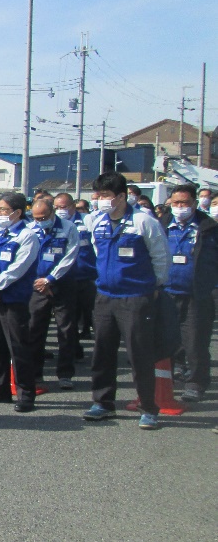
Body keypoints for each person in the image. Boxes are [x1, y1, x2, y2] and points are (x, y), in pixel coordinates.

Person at [83, 172, 170, 429]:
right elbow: (100, 253)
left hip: (135, 298)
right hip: (105, 297)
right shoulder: (98, 221)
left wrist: (155, 286)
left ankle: (149, 408)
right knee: (102, 352)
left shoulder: (144, 221)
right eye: (98, 196)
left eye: (106, 196)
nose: (100, 201)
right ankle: (103, 403)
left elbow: (160, 256)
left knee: (139, 354)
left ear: (121, 196)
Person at [0, 193, 42, 412]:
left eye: (3, 210)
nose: (0, 214)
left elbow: (19, 268)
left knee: (18, 347)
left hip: (13, 300)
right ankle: (0, 388)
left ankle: (25, 394)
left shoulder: (27, 236)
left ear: (17, 212)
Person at [163, 184, 218, 403]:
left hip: (197, 294)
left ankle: (196, 382)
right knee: (167, 339)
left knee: (195, 341)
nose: (180, 207)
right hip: (167, 292)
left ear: (194, 203)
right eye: (176, 203)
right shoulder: (163, 224)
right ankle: (173, 372)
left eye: (184, 203)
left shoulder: (208, 227)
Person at [26, 197, 81, 389]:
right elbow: (26, 256)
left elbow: (70, 255)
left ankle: (65, 374)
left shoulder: (68, 228)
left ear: (52, 212)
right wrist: (39, 281)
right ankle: (35, 373)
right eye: (36, 218)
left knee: (65, 330)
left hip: (62, 284)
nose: (40, 221)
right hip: (37, 286)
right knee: (34, 329)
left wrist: (51, 279)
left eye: (43, 217)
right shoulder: (30, 229)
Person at [54, 193, 97, 349]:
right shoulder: (55, 224)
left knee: (95, 316)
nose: (60, 210)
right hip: (66, 278)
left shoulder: (87, 220)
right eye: (57, 207)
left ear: (72, 206)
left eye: (63, 207)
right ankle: (74, 350)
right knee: (69, 318)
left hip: (88, 277)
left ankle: (101, 350)